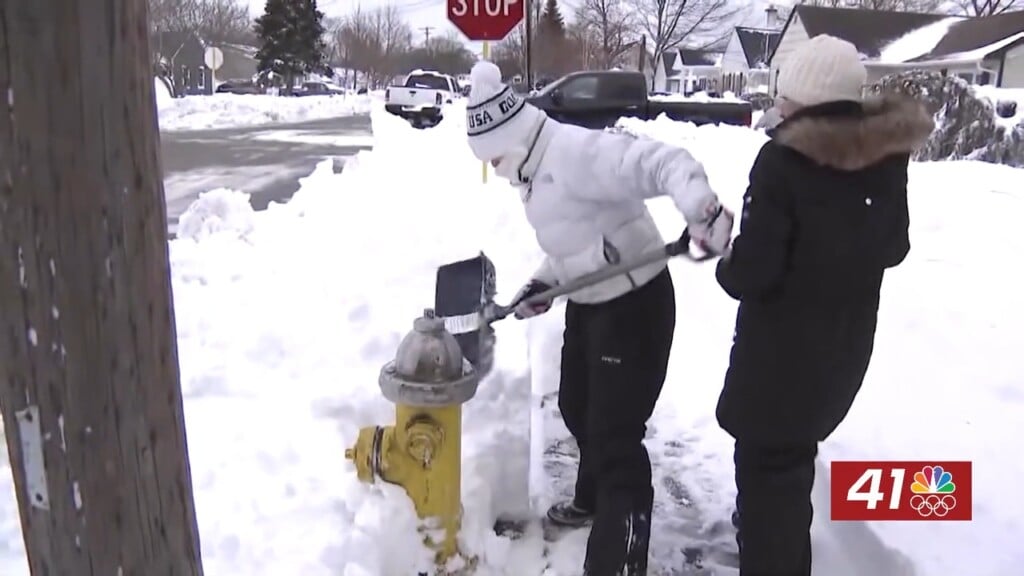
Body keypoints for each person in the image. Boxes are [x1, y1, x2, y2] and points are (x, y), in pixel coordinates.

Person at [464, 61, 734, 575]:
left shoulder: (575, 152)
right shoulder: (532, 169)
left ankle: (619, 560)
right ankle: (591, 502)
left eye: (494, 156)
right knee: (576, 406)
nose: (495, 168)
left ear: (511, 138)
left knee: (615, 440)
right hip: (593, 304)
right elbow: (577, 242)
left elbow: (664, 161)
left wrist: (701, 210)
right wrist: (543, 284)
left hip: (635, 307)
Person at [713, 34, 934, 576]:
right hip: (841, 354)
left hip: (779, 368)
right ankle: (770, 539)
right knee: (788, 471)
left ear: (804, 101)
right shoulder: (884, 156)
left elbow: (752, 273)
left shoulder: (782, 162)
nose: (779, 108)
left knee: (770, 484)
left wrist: (724, 256)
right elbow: (894, 246)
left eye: (785, 98)